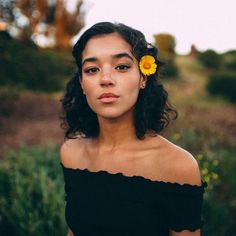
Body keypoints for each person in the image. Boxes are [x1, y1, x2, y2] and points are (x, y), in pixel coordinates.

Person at [59, 21, 207, 236]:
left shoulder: (178, 166)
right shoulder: (71, 153)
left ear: (143, 78)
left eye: (122, 67)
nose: (106, 79)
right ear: (82, 83)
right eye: (92, 69)